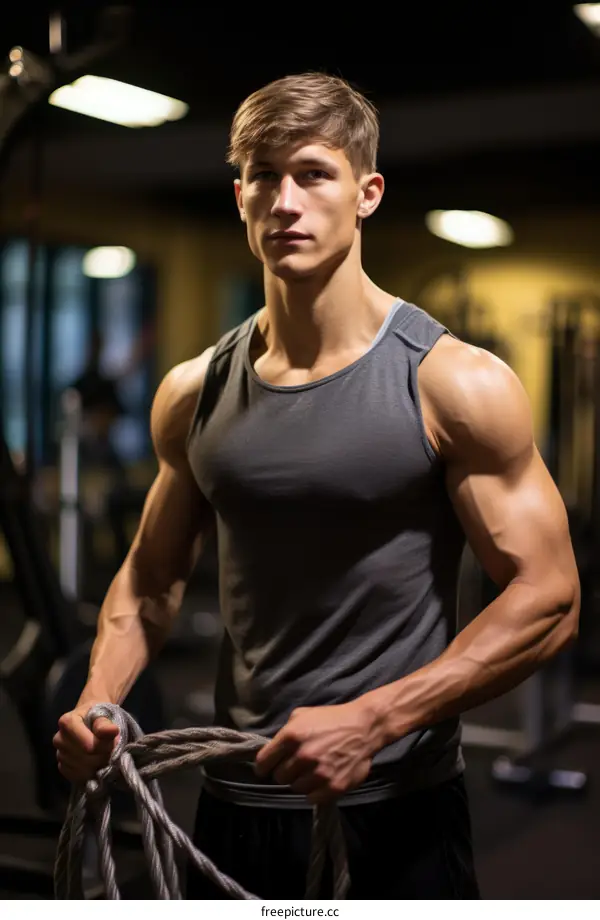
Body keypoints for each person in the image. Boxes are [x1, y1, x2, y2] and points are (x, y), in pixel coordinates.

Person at [53, 72, 580, 899]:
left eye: (312, 173)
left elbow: (550, 596)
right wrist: (98, 699)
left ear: (367, 193)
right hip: (233, 799)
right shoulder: (194, 392)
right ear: (239, 197)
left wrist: (378, 717)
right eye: (263, 176)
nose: (284, 201)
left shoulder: (452, 383)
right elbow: (150, 582)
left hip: (394, 802)